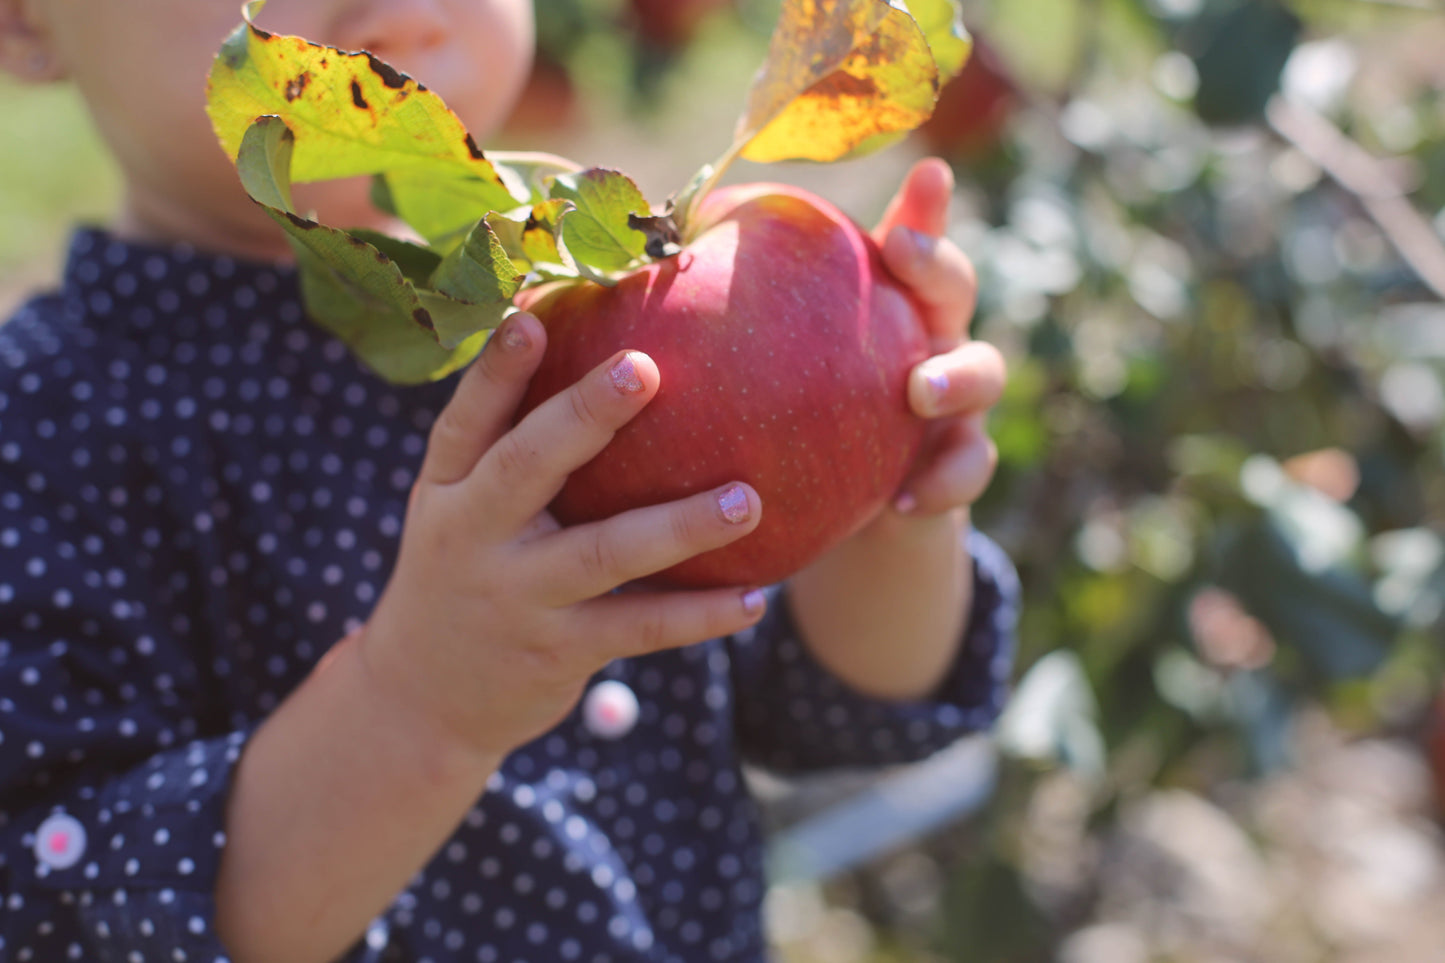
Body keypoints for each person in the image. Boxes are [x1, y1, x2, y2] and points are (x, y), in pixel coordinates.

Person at [0, 1, 1018, 961]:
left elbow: (836, 708)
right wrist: (419, 707)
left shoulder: (605, 317)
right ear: (26, 21)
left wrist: (894, 504)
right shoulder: (40, 435)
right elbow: (66, 909)